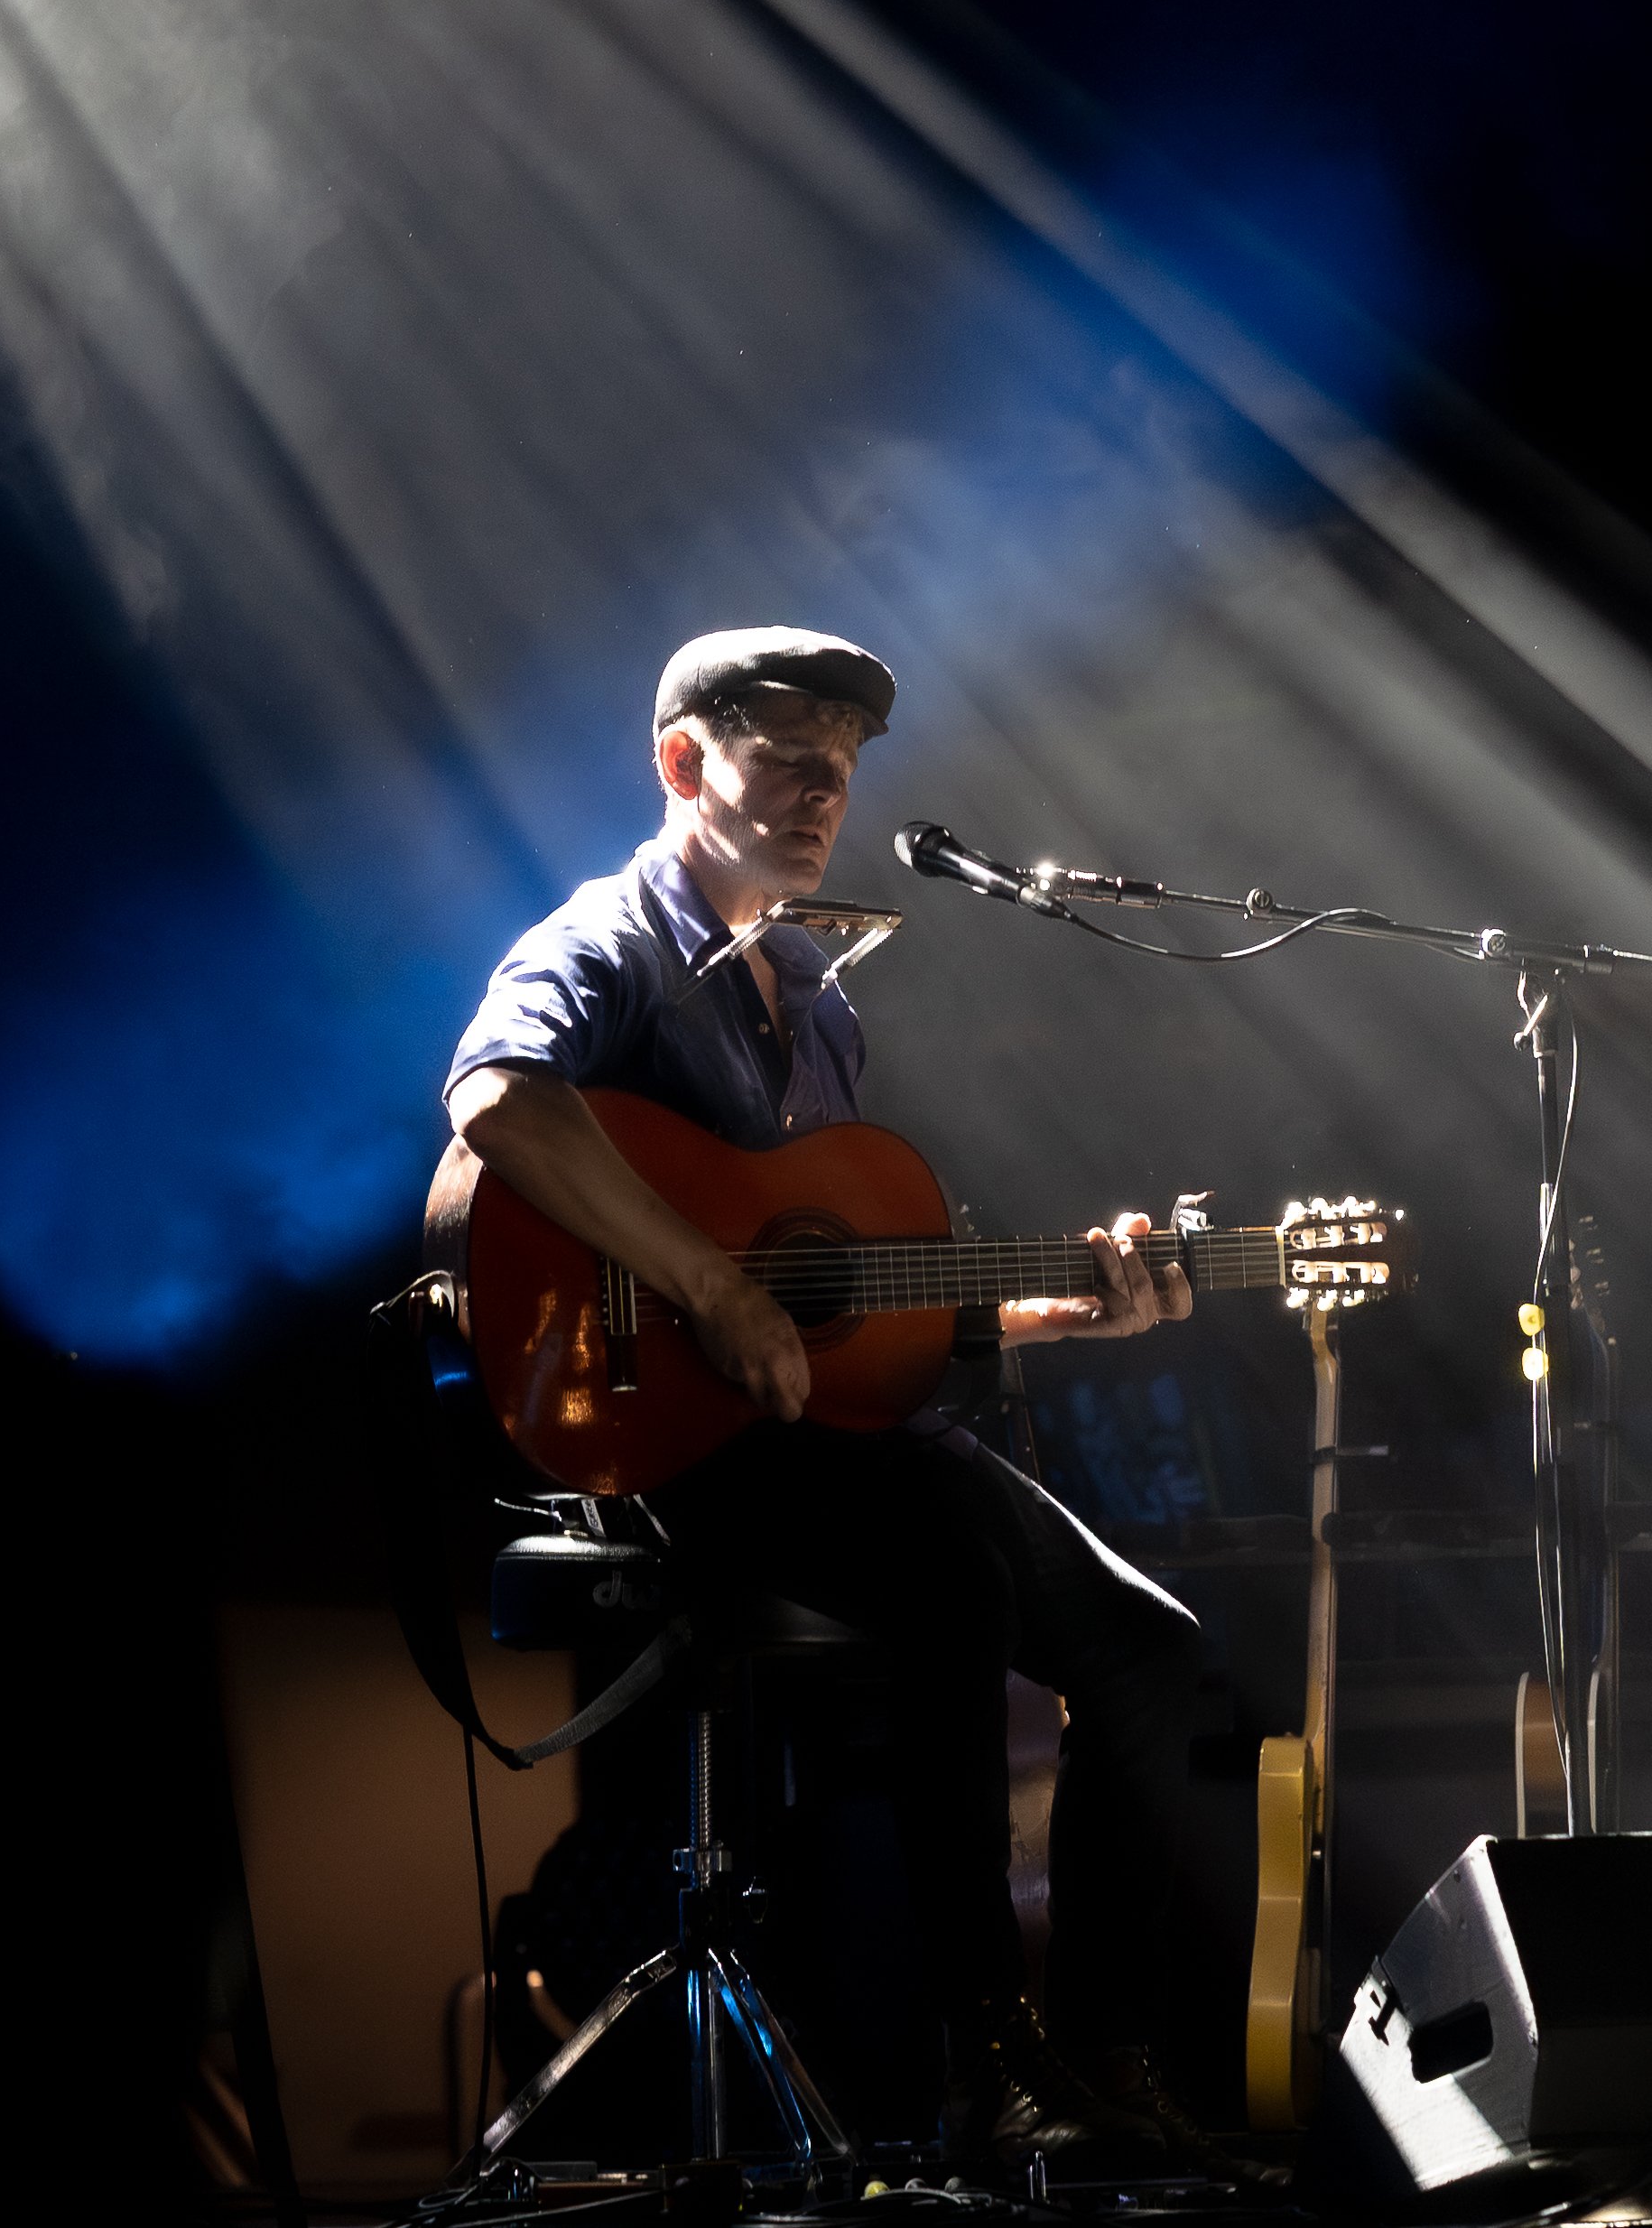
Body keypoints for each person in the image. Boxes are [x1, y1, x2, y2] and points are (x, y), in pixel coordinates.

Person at [445, 627, 1216, 2177]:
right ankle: (979, 2061)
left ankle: (1108, 2058)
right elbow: (500, 1092)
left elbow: (837, 1296)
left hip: (823, 1433)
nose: (822, 795)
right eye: (787, 760)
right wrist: (708, 1285)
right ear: (683, 763)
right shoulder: (608, 939)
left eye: (843, 770)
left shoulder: (812, 986)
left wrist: (1044, 1309)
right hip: (661, 1436)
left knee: (1155, 1655)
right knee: (946, 1562)